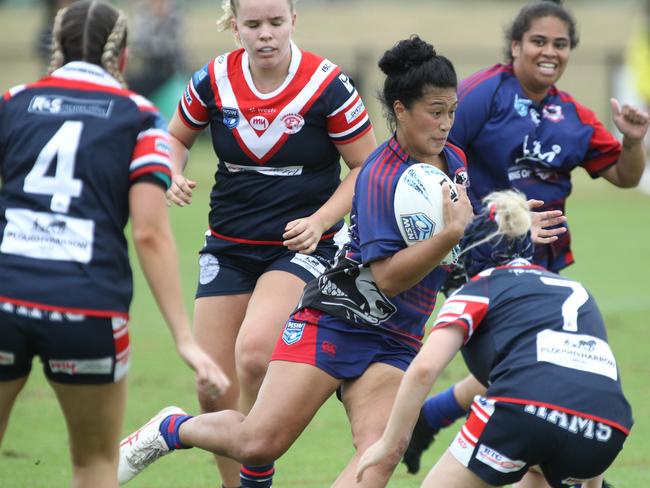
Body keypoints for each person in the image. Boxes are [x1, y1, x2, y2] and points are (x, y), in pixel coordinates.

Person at [117, 35, 476, 487]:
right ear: (401, 110)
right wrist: (448, 237)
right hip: (338, 323)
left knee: (380, 453)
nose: (445, 124)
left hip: (397, 337)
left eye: (451, 112)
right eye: (435, 112)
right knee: (257, 443)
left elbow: (464, 237)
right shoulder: (381, 176)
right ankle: (170, 428)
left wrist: (512, 226)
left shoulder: (455, 161)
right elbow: (387, 278)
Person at [404, 0, 650, 474]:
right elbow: (434, 158)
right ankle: (556, 466)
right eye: (538, 41)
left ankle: (434, 418)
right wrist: (485, 222)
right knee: (527, 368)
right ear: (515, 46)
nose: (549, 52)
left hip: (543, 270)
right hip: (482, 260)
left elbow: (622, 174)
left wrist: (634, 142)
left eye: (560, 44)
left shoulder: (574, 116)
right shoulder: (482, 94)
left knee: (540, 365)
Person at [0, 2, 229, 487]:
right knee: (93, 466)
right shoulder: (139, 116)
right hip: (87, 311)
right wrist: (185, 340)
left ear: (54, 48)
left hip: (6, 299)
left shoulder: (13, 101)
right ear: (122, 57)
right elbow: (149, 232)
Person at [163, 0, 376, 486]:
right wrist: (170, 171)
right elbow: (174, 137)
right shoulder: (213, 80)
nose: (266, 35)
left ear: (293, 23)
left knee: (256, 352)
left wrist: (320, 220)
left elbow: (365, 166)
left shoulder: (327, 84)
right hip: (227, 245)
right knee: (212, 385)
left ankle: (254, 462)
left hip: (301, 247)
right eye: (253, 24)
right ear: (235, 26)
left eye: (276, 23)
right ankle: (237, 482)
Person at [356, 190, 633, 488]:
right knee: (535, 466)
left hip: (521, 412)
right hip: (607, 430)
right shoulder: (575, 290)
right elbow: (590, 377)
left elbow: (424, 369)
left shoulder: (478, 288)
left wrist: (389, 443)